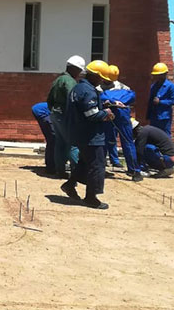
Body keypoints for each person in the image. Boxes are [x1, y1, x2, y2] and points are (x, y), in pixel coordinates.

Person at [61, 60, 114, 209]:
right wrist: (106, 113)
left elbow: (84, 108)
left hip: (81, 134)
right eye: (101, 77)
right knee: (97, 165)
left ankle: (69, 184)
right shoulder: (88, 91)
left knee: (85, 163)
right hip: (91, 135)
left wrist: (102, 107)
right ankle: (91, 197)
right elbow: (90, 115)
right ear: (95, 76)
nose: (103, 80)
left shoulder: (79, 88)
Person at [100, 65, 143, 182]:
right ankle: (135, 171)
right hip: (123, 114)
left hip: (108, 114)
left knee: (104, 141)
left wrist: (111, 102)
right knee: (128, 142)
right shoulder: (125, 88)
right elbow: (132, 97)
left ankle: (100, 169)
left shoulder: (100, 89)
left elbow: (100, 100)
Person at [47, 56, 85, 177]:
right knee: (73, 143)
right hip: (64, 115)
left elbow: (49, 99)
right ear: (73, 68)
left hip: (55, 113)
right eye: (79, 70)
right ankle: (78, 172)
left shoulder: (58, 79)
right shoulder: (69, 81)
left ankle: (60, 170)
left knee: (60, 143)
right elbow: (73, 99)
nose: (79, 73)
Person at [146, 62, 174, 135]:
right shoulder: (153, 86)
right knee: (154, 136)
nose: (157, 77)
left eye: (159, 75)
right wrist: (148, 115)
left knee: (165, 136)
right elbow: (150, 101)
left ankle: (167, 147)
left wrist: (160, 102)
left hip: (164, 117)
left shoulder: (170, 86)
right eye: (156, 75)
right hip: (154, 117)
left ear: (164, 74)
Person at [30, 102, 56, 175]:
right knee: (54, 140)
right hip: (43, 112)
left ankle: (50, 165)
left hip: (38, 110)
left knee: (51, 140)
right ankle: (51, 167)